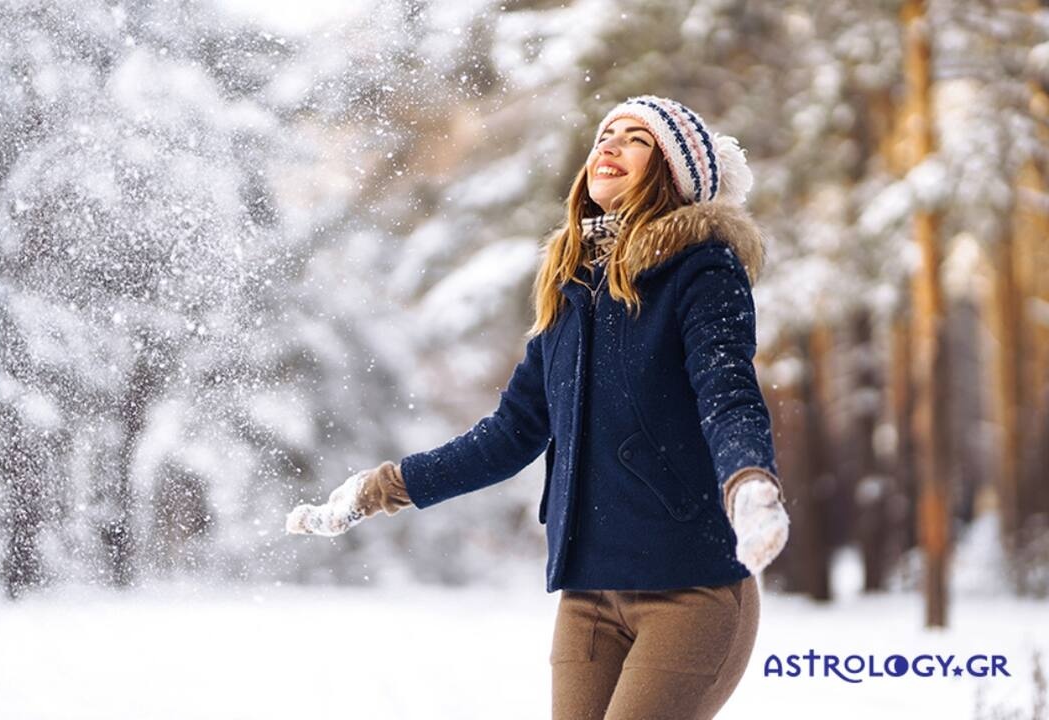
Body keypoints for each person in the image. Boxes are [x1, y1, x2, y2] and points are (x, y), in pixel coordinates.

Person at [285, 95, 790, 720]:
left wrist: (749, 483)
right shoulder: (572, 285)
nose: (608, 145)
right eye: (605, 134)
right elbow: (510, 434)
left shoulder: (701, 269)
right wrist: (382, 487)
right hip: (588, 595)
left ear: (672, 171)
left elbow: (727, 390)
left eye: (635, 138)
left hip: (690, 589)